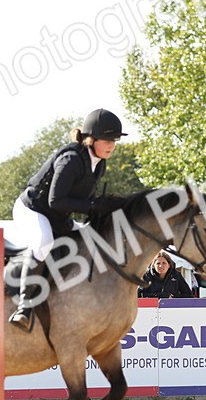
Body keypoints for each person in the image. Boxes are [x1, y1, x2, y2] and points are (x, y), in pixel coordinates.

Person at [9, 108, 124, 330]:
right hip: (32, 210)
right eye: (107, 140)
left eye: (115, 140)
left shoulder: (99, 163)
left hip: (58, 217)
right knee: (44, 242)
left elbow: (84, 202)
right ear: (92, 139)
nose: (112, 145)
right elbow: (56, 201)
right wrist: (93, 207)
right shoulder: (71, 159)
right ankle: (23, 307)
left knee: (92, 241)